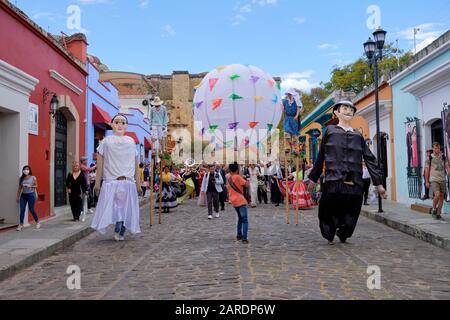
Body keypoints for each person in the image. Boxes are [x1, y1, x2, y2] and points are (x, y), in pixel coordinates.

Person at [307, 100, 387, 245]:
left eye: (351, 109)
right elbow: (321, 157)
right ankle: (329, 233)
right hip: (333, 181)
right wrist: (313, 179)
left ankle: (344, 233)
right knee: (327, 210)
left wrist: (379, 183)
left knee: (352, 213)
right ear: (336, 112)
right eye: (345, 108)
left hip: (354, 183)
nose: (348, 111)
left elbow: (370, 158)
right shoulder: (330, 131)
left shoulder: (357, 135)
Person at [92, 114, 142, 241]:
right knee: (116, 208)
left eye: (123, 122)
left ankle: (122, 231)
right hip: (112, 182)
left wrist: (138, 184)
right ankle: (118, 228)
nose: (120, 124)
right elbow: (100, 163)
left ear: (126, 125)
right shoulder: (106, 141)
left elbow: (135, 165)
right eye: (117, 122)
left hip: (128, 182)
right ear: (112, 124)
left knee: (127, 209)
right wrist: (97, 183)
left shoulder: (131, 142)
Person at [424, 142, 450, 219]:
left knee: (441, 197)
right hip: (434, 179)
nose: (437, 149)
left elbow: (447, 167)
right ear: (433, 148)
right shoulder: (429, 158)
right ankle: (434, 208)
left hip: (442, 179)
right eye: (435, 148)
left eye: (438, 148)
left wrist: (449, 172)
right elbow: (426, 170)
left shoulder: (443, 157)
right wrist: (427, 181)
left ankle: (438, 214)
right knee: (437, 194)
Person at [227, 163, 250, 244]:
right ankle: (244, 238)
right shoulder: (238, 177)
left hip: (233, 200)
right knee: (245, 220)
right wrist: (246, 179)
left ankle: (239, 234)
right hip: (240, 200)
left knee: (240, 218)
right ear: (237, 170)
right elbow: (246, 185)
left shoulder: (229, 178)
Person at [16, 165, 40, 231]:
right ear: (23, 171)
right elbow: (19, 188)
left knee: (31, 209)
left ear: (29, 170)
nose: (26, 170)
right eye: (24, 169)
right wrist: (17, 197)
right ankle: (20, 224)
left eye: (27, 169)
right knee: (22, 209)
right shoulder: (21, 178)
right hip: (23, 195)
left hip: (31, 195)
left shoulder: (33, 177)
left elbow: (36, 185)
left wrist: (31, 186)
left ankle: (37, 221)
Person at [283, 88, 303, 153]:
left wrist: (296, 116)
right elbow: (283, 109)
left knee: (294, 135)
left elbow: (298, 108)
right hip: (287, 118)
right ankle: (287, 147)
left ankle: (295, 148)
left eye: (290, 94)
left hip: (293, 118)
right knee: (286, 133)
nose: (289, 95)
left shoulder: (296, 101)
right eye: (288, 94)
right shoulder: (285, 102)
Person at [149, 97, 169, 161]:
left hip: (161, 125)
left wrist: (164, 125)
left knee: (160, 138)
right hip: (154, 124)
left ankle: (161, 150)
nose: (157, 105)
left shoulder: (163, 108)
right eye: (156, 104)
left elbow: (165, 117)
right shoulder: (152, 109)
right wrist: (150, 125)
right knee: (154, 137)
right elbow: (151, 117)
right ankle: (153, 150)